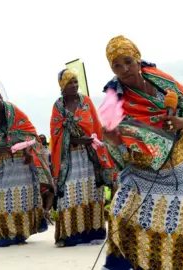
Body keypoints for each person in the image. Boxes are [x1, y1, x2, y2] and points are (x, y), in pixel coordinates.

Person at [102, 35, 183, 270]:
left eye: (128, 61)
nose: (124, 69)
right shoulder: (114, 97)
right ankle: (125, 263)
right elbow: (113, 138)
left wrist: (180, 122)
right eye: (117, 65)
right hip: (143, 166)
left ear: (138, 59)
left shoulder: (162, 81)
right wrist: (112, 137)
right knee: (121, 212)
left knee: (182, 224)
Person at [0, 85, 55, 248]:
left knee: (22, 200)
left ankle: (19, 234)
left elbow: (30, 132)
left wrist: (26, 149)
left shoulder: (12, 110)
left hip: (21, 163)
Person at [50, 69, 114, 247]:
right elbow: (56, 132)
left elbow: (96, 126)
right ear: (62, 85)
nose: (74, 85)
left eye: (76, 82)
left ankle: (93, 232)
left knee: (91, 192)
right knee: (69, 194)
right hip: (68, 158)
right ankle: (69, 235)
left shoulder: (86, 102)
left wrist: (93, 140)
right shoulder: (58, 106)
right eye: (70, 82)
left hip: (89, 157)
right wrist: (77, 139)